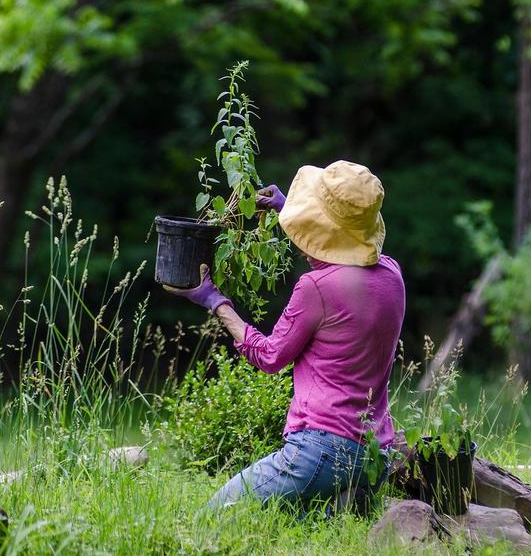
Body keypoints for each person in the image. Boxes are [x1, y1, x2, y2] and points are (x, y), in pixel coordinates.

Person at [165, 160, 406, 513]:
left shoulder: (315, 288)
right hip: (374, 454)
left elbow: (270, 357)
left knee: (210, 517)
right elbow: (343, 259)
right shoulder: (392, 275)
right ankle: (342, 501)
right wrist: (286, 209)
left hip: (321, 450)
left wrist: (215, 301)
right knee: (301, 528)